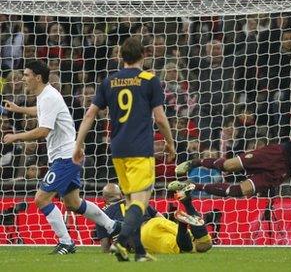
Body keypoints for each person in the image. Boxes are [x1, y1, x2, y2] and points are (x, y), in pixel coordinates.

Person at [72, 36, 176, 262]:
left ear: (121, 57)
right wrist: (170, 142)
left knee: (129, 201)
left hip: (117, 148)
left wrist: (78, 145)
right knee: (141, 200)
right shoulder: (150, 80)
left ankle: (139, 252)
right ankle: (120, 244)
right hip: (140, 148)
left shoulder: (109, 81)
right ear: (144, 55)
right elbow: (159, 117)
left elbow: (90, 114)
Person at [2, 60, 118, 254]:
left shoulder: (48, 97)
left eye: (26, 75)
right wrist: (19, 109)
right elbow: (41, 112)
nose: (23, 78)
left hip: (66, 157)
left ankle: (66, 242)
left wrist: (16, 136)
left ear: (37, 78)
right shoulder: (45, 95)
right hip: (66, 156)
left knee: (41, 199)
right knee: (73, 203)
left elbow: (43, 131)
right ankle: (113, 226)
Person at [95, 183, 212, 255]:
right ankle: (187, 205)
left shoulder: (103, 214)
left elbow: (105, 246)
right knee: (203, 244)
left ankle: (183, 225)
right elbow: (161, 218)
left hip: (144, 235)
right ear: (120, 195)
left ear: (104, 198)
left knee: (188, 249)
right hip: (155, 222)